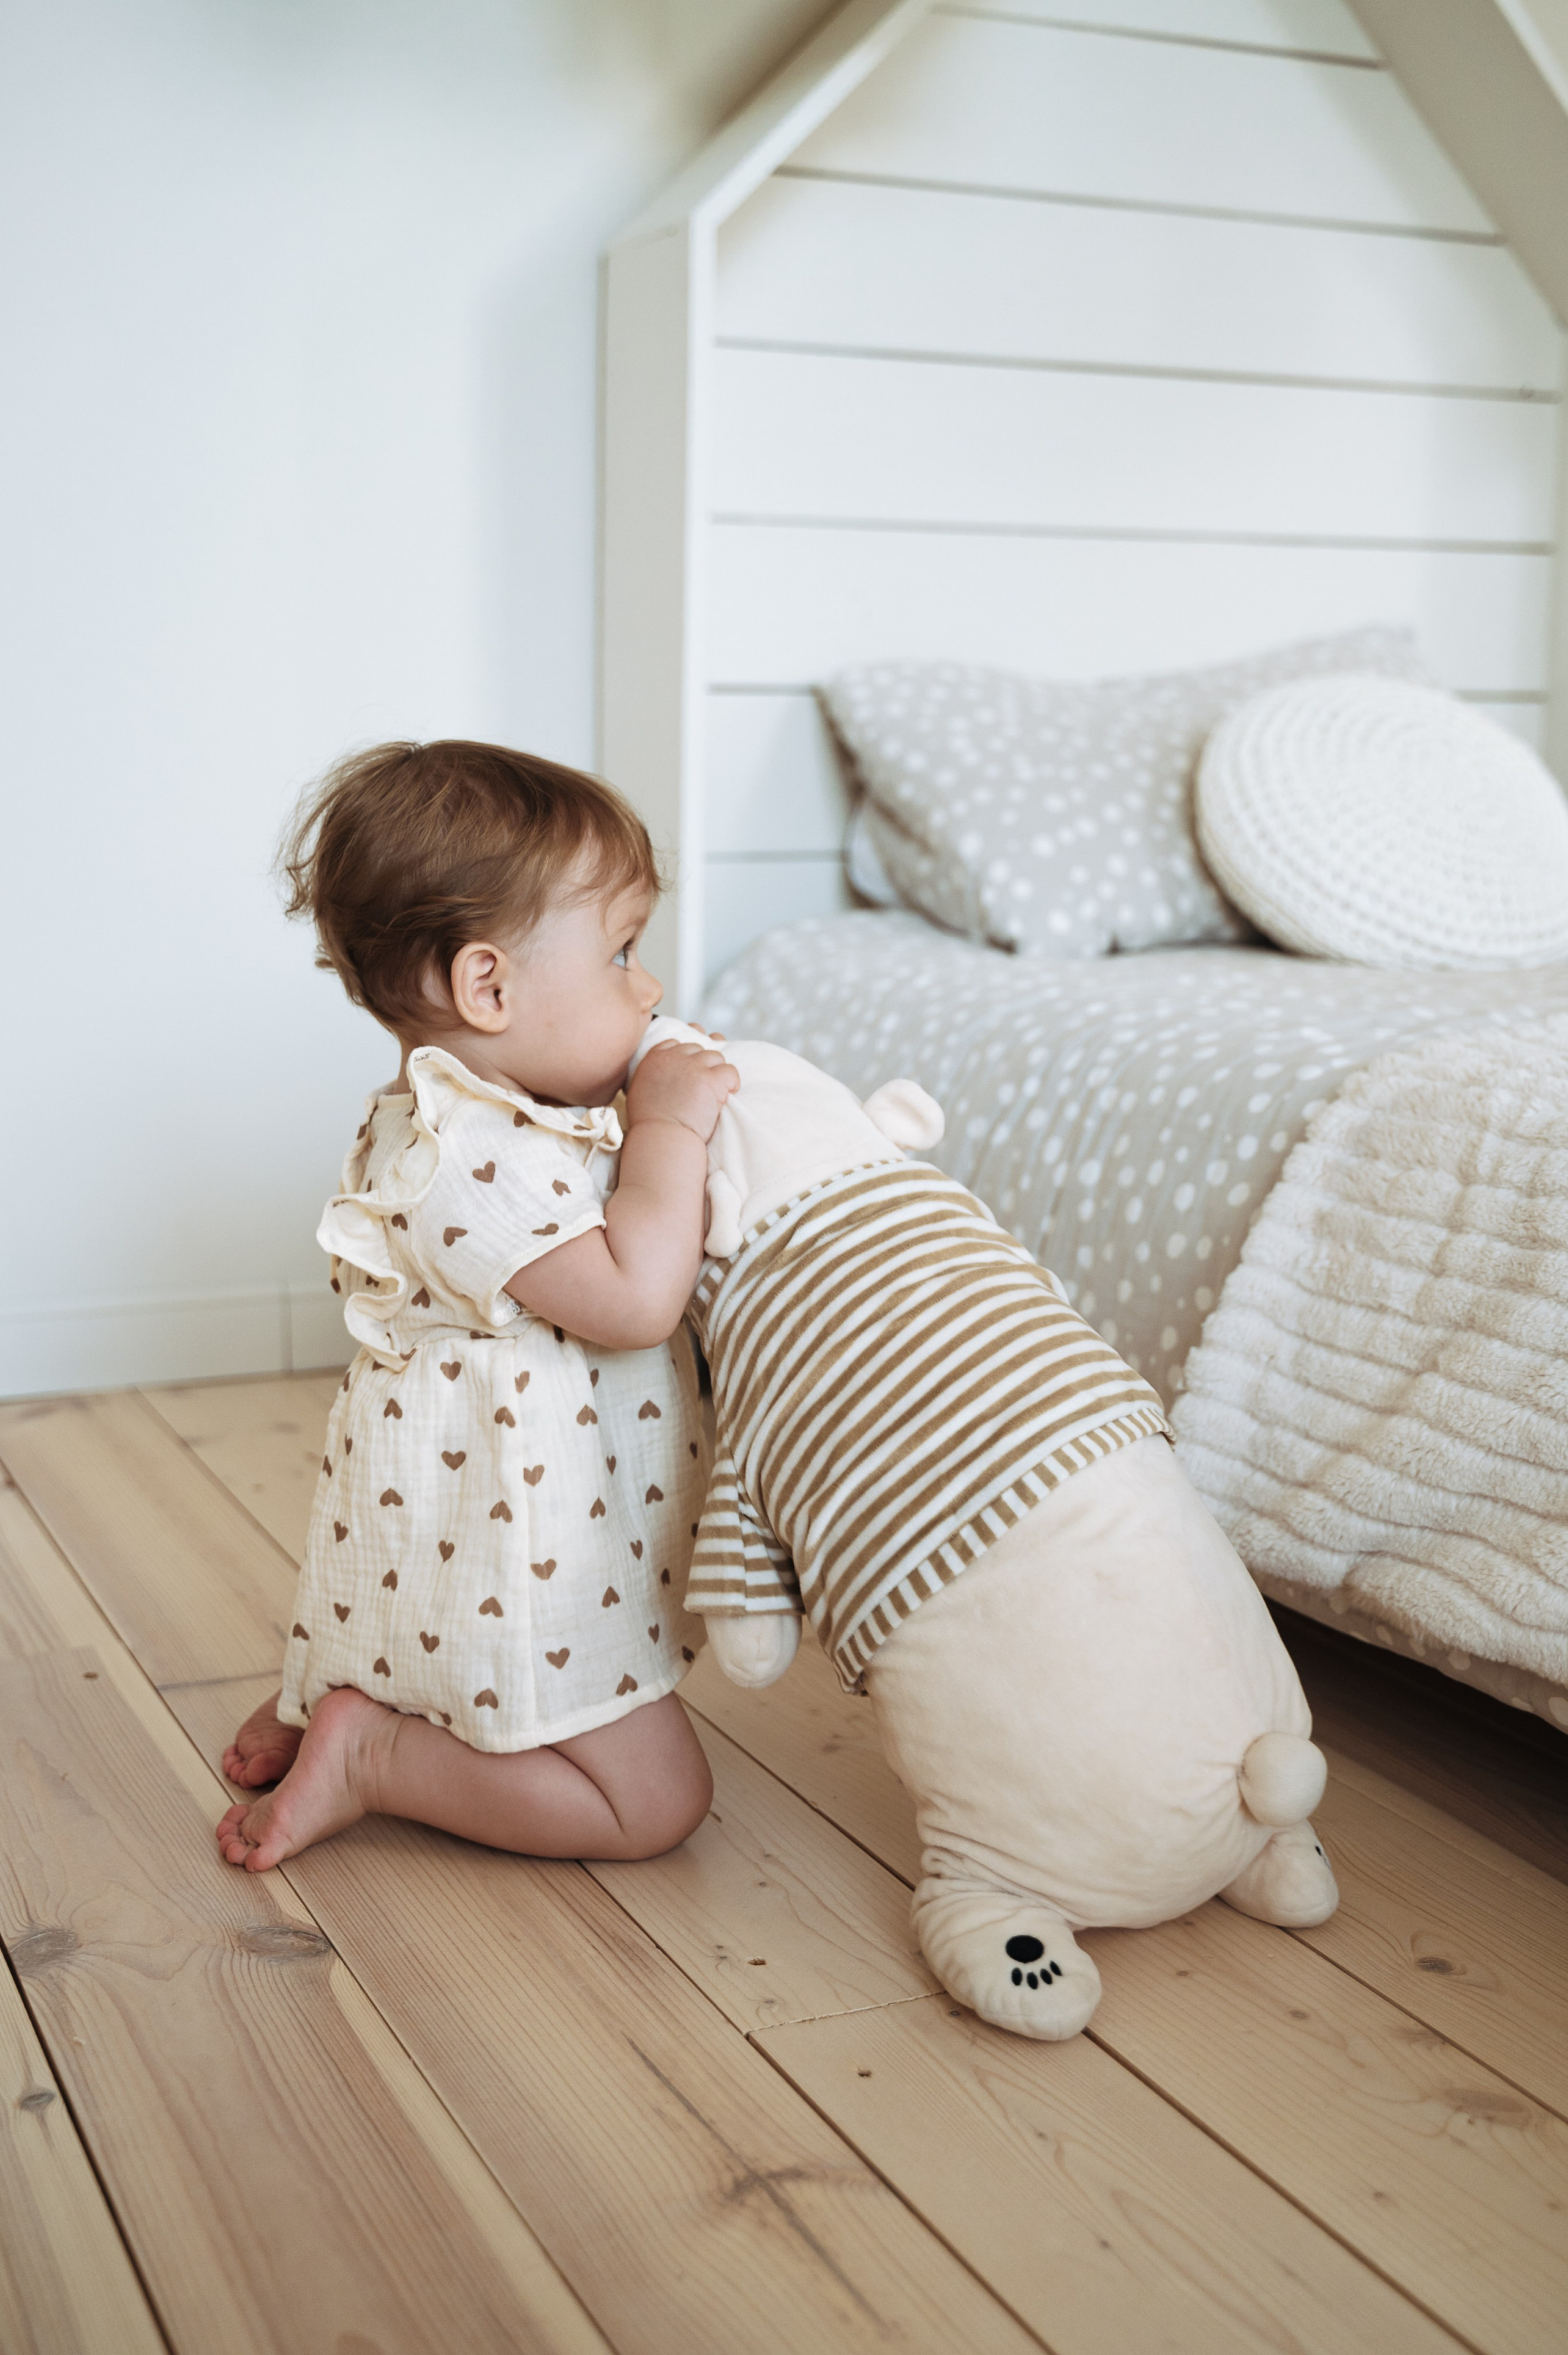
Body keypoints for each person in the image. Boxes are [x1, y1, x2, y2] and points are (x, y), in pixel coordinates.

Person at [217, 739, 736, 1873]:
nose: (649, 990)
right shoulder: (468, 1157)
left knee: (424, 1611)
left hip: (474, 1514)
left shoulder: (481, 1111)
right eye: (623, 954)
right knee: (652, 1806)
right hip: (528, 1542)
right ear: (488, 987)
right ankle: (373, 1756)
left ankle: (336, 1695)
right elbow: (639, 1297)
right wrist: (669, 1130)